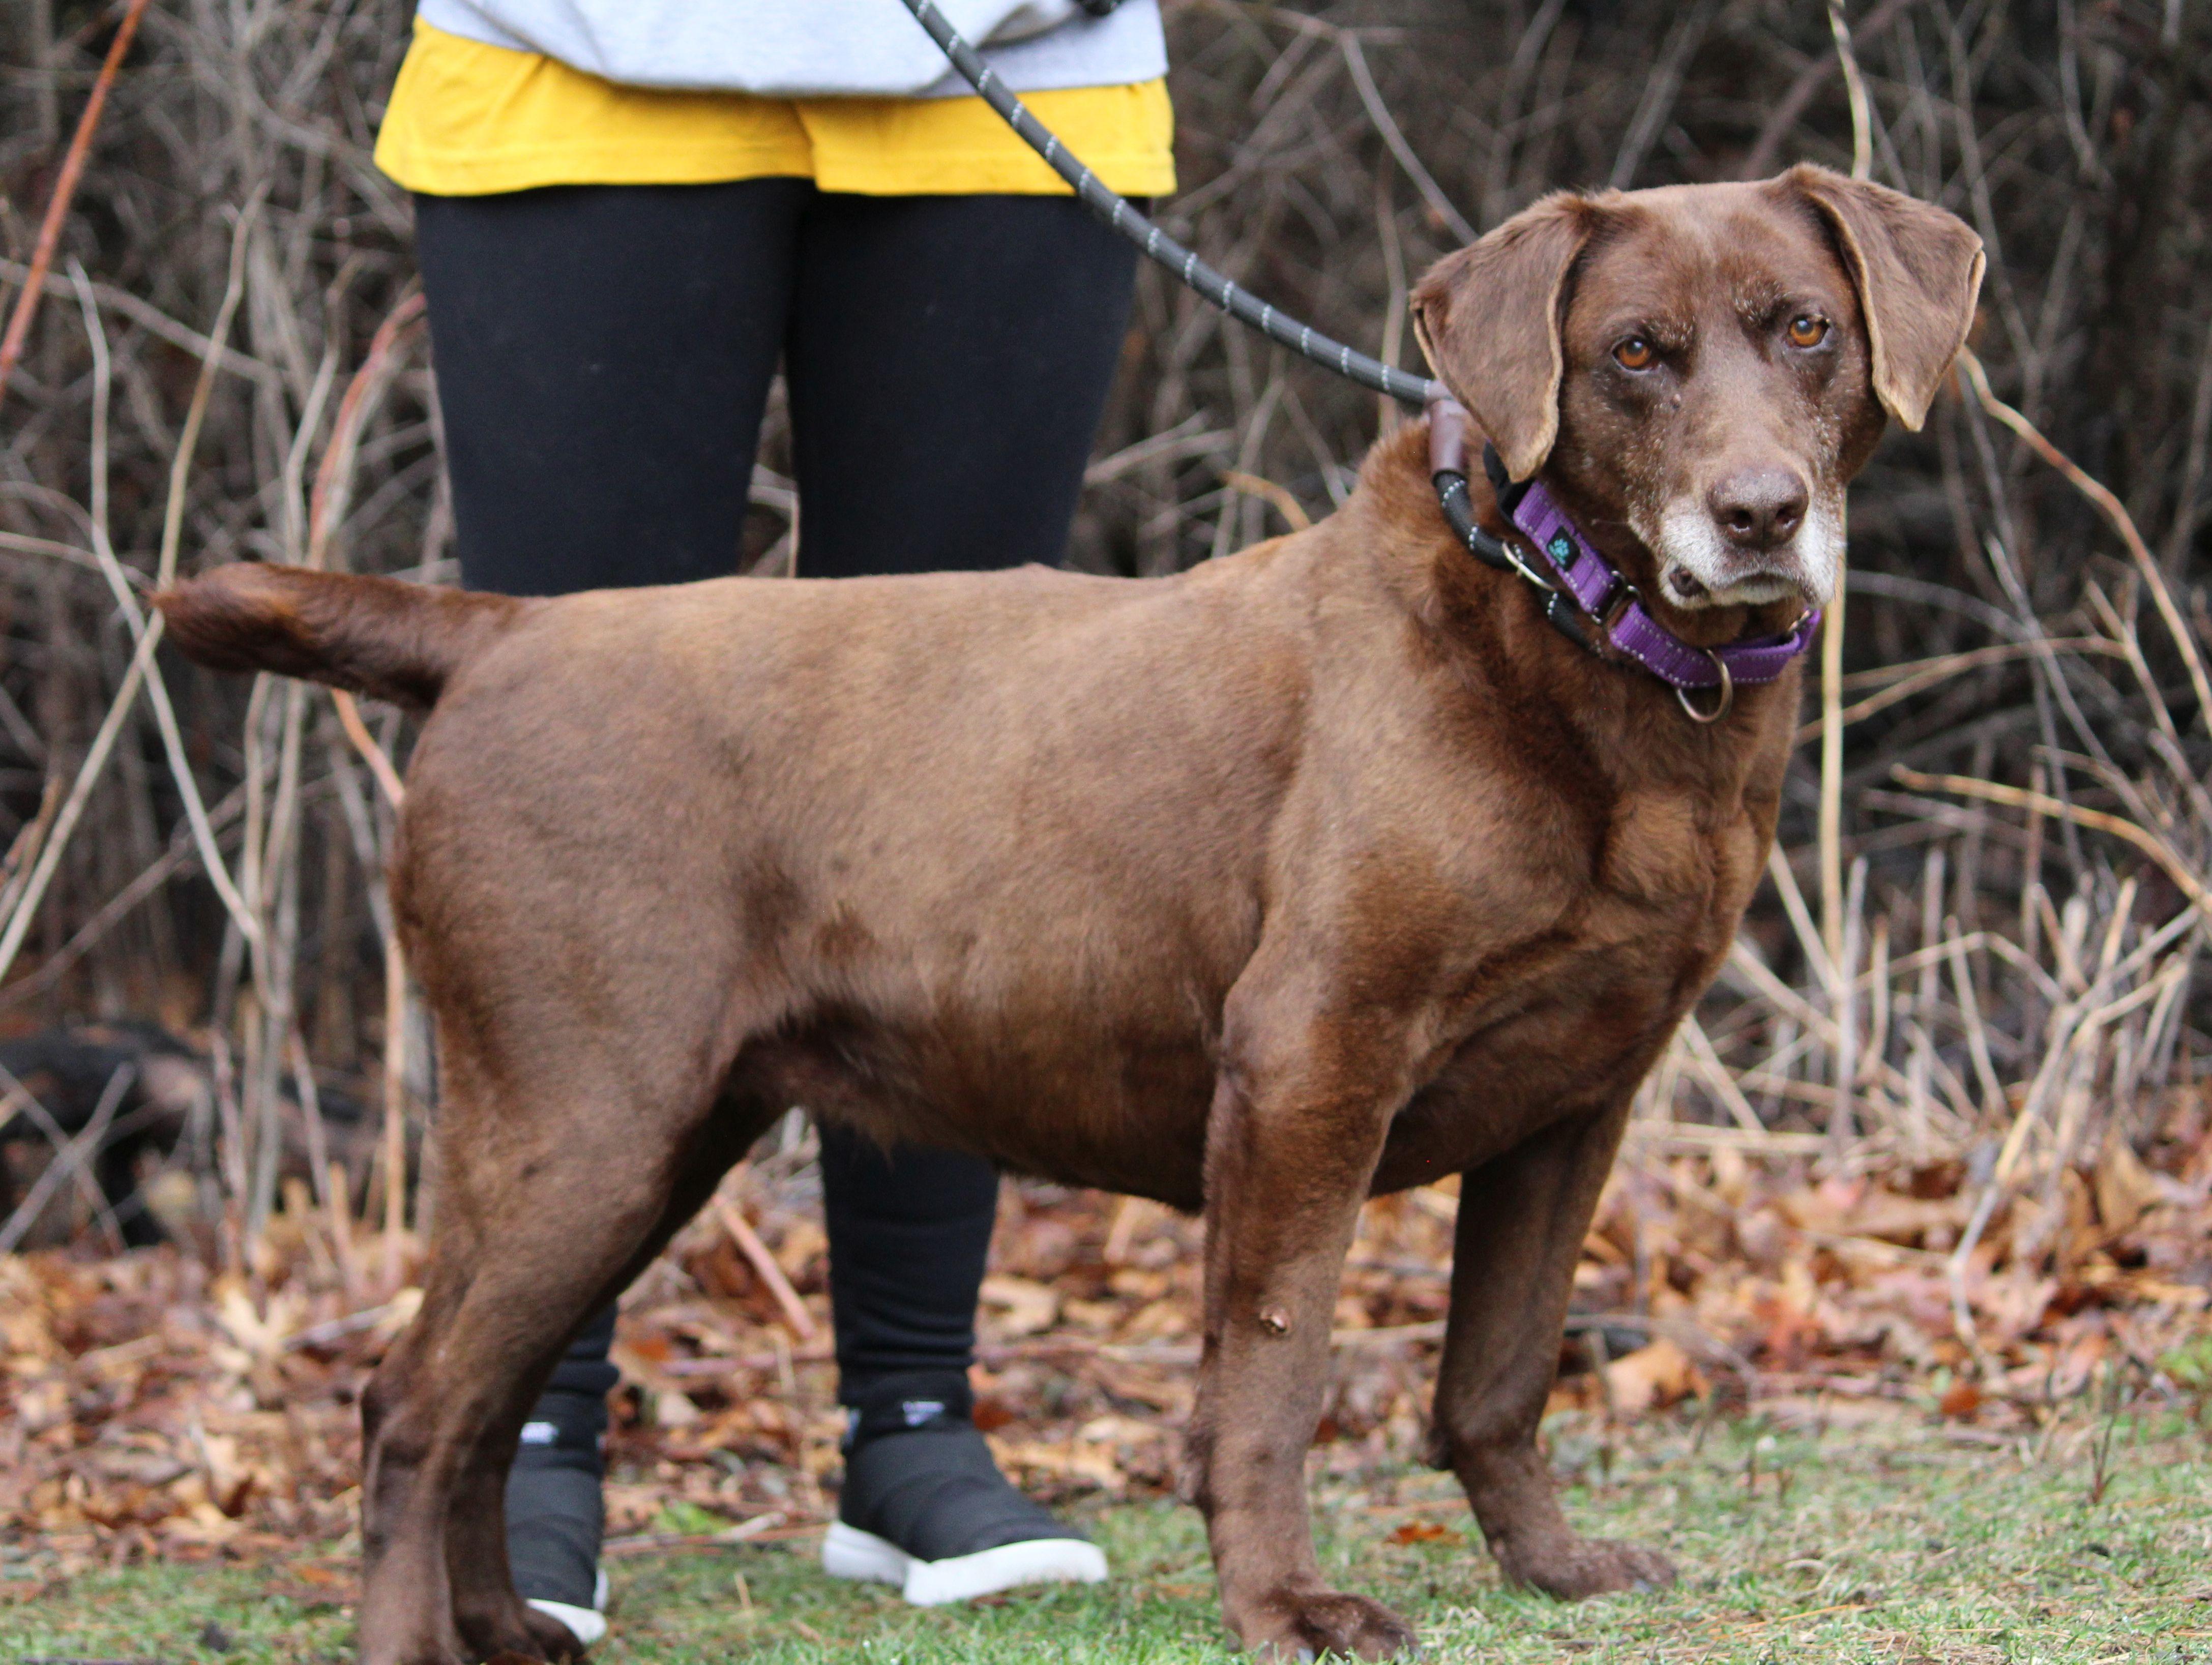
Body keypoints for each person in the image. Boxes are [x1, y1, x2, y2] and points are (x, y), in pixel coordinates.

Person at [369, 0, 1174, 1643]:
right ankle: (526, 1435)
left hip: (1010, 83)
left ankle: (915, 1421)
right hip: (580, 72)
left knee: (964, 781)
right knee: (575, 754)